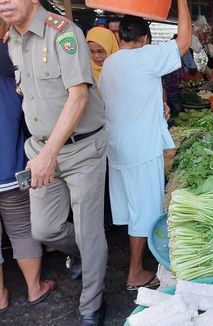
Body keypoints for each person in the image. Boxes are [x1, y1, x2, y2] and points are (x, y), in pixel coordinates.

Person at [1, 1, 108, 325]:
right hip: (40, 150)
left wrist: (50, 156)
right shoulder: (12, 40)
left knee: (90, 232)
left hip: (81, 149)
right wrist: (43, 154)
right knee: (44, 228)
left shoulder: (64, 34)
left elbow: (79, 96)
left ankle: (92, 304)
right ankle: (84, 256)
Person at [99, 0, 191, 291]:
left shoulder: (110, 63)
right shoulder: (146, 56)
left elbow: (129, 99)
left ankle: (133, 262)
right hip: (141, 150)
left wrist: (157, 109)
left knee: (131, 210)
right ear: (145, 39)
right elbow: (185, 42)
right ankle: (135, 273)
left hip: (118, 148)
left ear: (119, 37)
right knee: (144, 211)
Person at [0, 17, 56, 313]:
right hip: (9, 169)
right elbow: (30, 121)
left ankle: (0, 296)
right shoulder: (10, 87)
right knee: (21, 229)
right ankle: (34, 288)